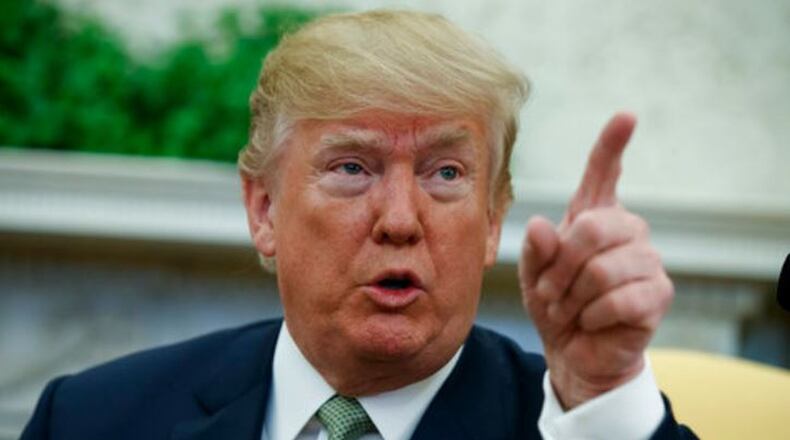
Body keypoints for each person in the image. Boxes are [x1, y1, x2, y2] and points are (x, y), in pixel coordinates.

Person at [21, 10, 696, 440]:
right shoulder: (91, 419)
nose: (401, 220)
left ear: (493, 221)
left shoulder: (572, 422)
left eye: (445, 174)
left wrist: (603, 400)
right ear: (264, 211)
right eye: (351, 168)